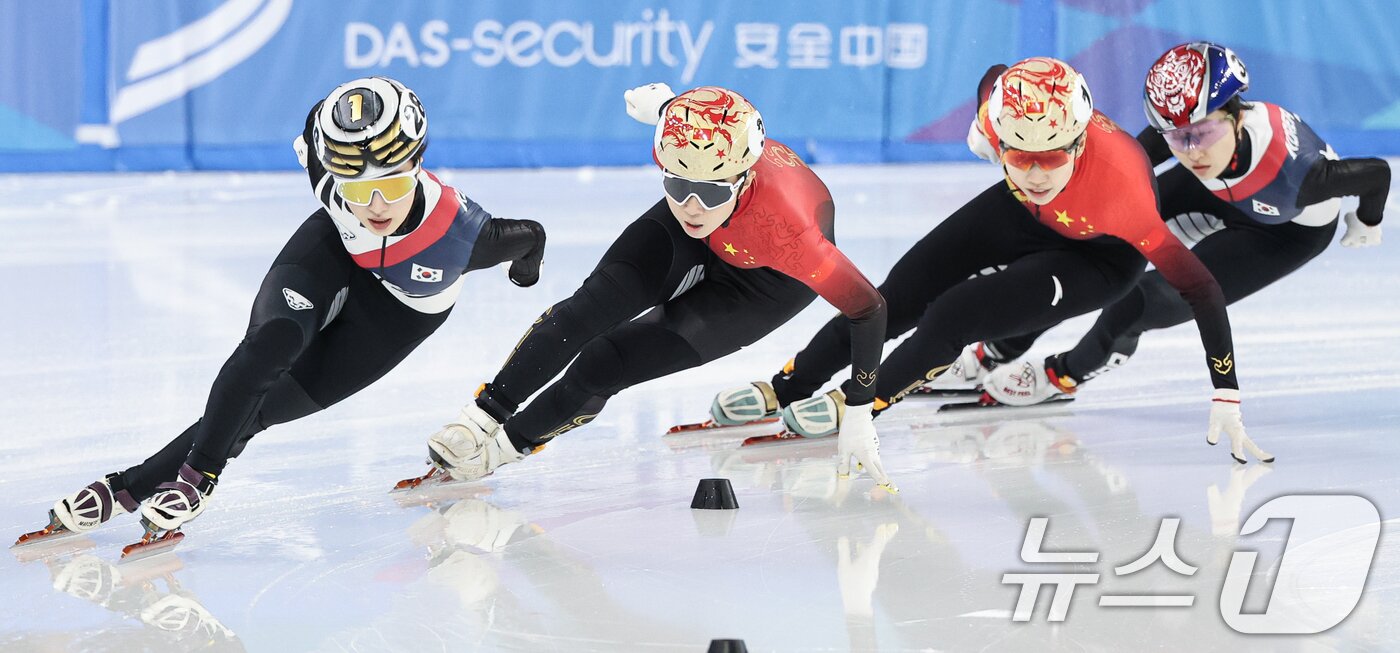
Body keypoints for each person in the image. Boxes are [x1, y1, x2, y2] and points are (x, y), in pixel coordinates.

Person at [19, 77, 547, 550]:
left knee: (264, 409)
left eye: (392, 184)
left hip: (401, 312)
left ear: (416, 165)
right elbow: (324, 118)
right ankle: (197, 479)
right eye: (359, 190)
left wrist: (526, 272)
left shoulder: (465, 235)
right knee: (270, 345)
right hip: (334, 253)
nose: (376, 206)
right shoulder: (327, 174)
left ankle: (127, 488)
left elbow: (532, 238)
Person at [711, 57, 1272, 464]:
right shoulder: (1002, 118)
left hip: (1098, 258)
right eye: (1017, 154)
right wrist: (999, 139)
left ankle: (862, 398)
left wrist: (1226, 390)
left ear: (1077, 144)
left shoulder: (1123, 191)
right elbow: (996, 77)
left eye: (1049, 158)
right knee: (892, 297)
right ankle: (790, 384)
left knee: (957, 312)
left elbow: (1201, 288)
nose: (1034, 171)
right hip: (1022, 216)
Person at [418, 84, 894, 491]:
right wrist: (664, 107)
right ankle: (482, 416)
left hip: (765, 283)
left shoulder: (792, 234)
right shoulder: (689, 138)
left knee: (608, 362)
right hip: (715, 237)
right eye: (675, 182)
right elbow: (680, 117)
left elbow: (869, 309)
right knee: (588, 310)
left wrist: (857, 410)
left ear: (743, 176)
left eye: (708, 191)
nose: (690, 205)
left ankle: (505, 446)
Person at [972, 43, 1390, 422]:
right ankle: (999, 347)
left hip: (1283, 233)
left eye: (1202, 133)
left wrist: (1368, 222)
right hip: (1213, 192)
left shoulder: (1303, 175)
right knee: (1091, 245)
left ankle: (1062, 374)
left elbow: (1377, 174)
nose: (1192, 151)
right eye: (1176, 137)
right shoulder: (1186, 135)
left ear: (1237, 115)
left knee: (1142, 302)